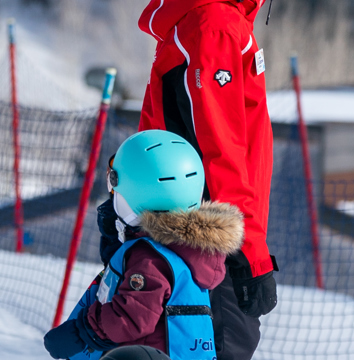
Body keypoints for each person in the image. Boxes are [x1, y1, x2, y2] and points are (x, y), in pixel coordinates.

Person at [114, 1, 280, 359]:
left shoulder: (214, 20)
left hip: (196, 238)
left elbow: (152, 129)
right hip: (211, 246)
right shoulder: (214, 25)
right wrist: (249, 255)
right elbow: (220, 147)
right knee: (224, 347)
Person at [48, 130, 243, 360]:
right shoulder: (184, 253)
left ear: (137, 193)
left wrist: (80, 334)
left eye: (114, 182)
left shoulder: (150, 260)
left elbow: (130, 318)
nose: (112, 194)